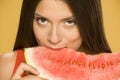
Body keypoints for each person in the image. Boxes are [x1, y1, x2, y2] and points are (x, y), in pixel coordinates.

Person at [0, 0, 112, 80]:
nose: (54, 39)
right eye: (42, 20)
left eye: (69, 22)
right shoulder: (5, 67)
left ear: (90, 23)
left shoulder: (110, 72)